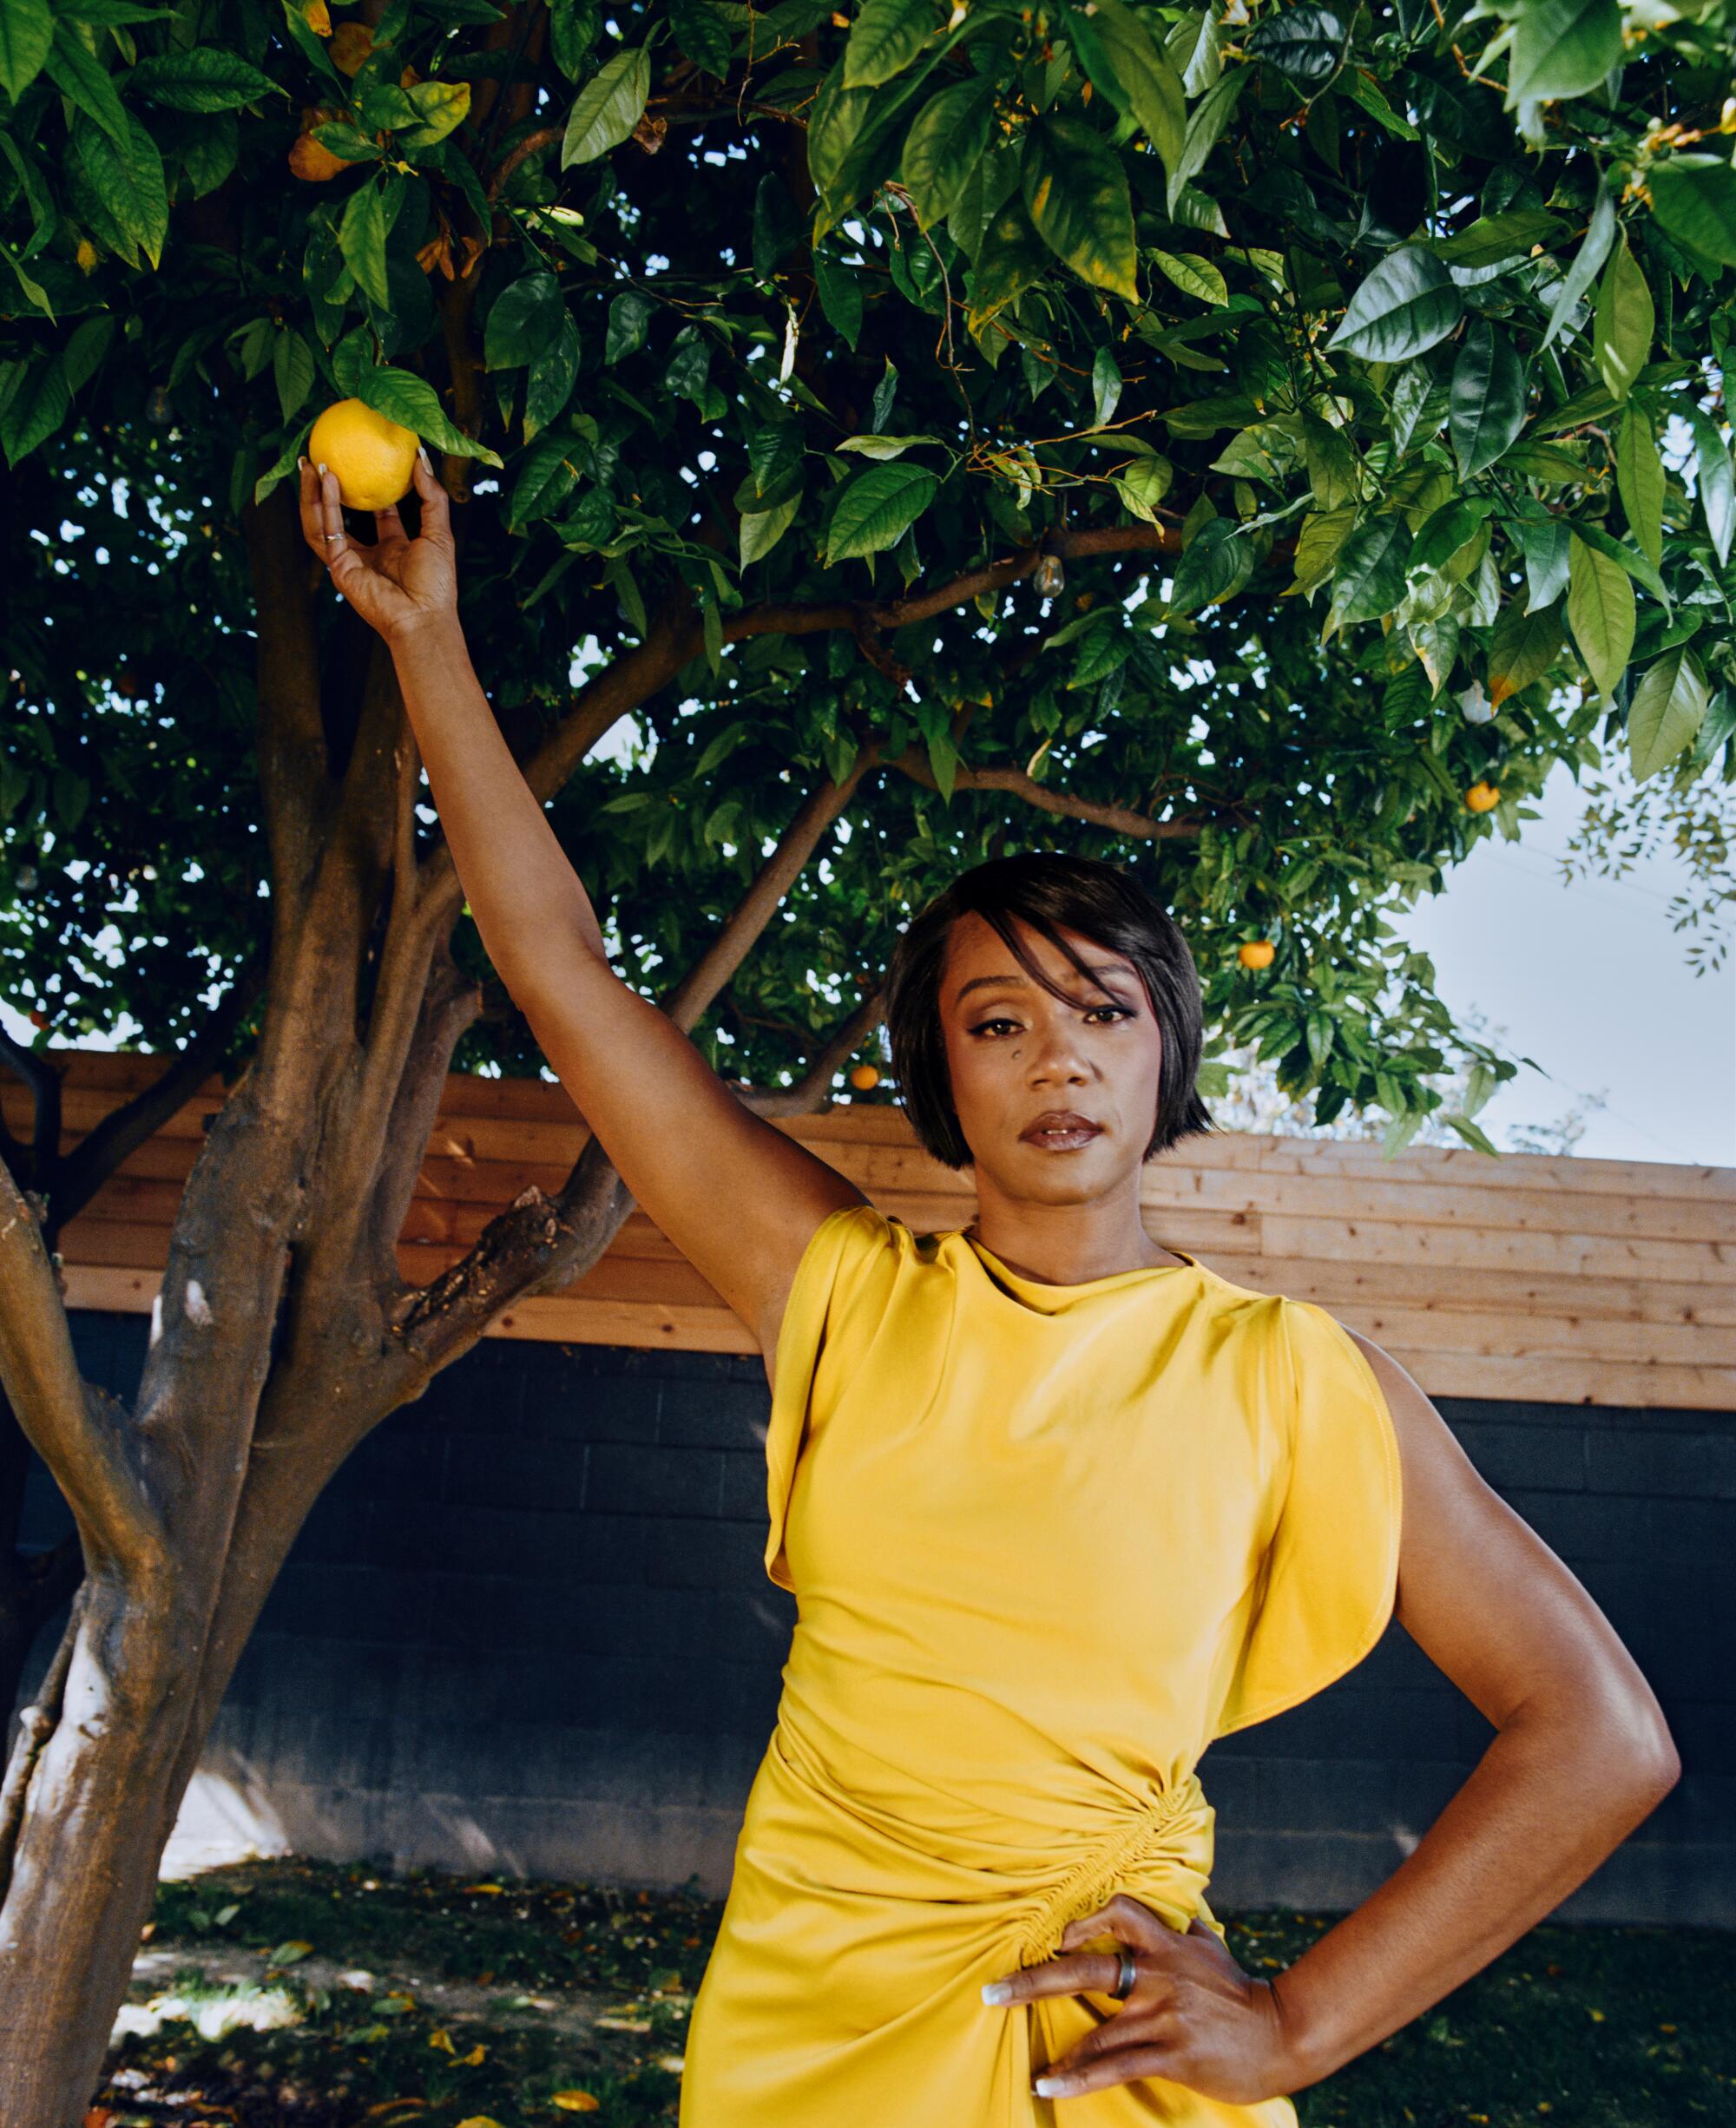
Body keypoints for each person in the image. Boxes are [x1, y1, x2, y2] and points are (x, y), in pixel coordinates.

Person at [298, 450, 1681, 2125]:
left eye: (1103, 1011)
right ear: (940, 1079)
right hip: (817, 2024)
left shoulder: (1295, 1378)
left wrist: (1303, 2024)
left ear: (1169, 1047)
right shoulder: (840, 1291)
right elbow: (563, 972)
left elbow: (1600, 1731)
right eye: (999, 1021)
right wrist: (427, 637)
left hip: (1108, 2035)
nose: (1059, 1061)